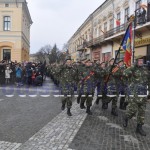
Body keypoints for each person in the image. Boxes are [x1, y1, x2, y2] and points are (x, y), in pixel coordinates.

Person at [123, 56, 149, 136]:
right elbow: (124, 74)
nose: (141, 62)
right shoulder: (132, 69)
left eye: (142, 60)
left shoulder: (145, 70)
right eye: (139, 60)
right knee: (132, 110)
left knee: (142, 111)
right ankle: (126, 118)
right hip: (134, 94)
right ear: (136, 61)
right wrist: (133, 67)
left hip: (143, 94)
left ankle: (139, 128)